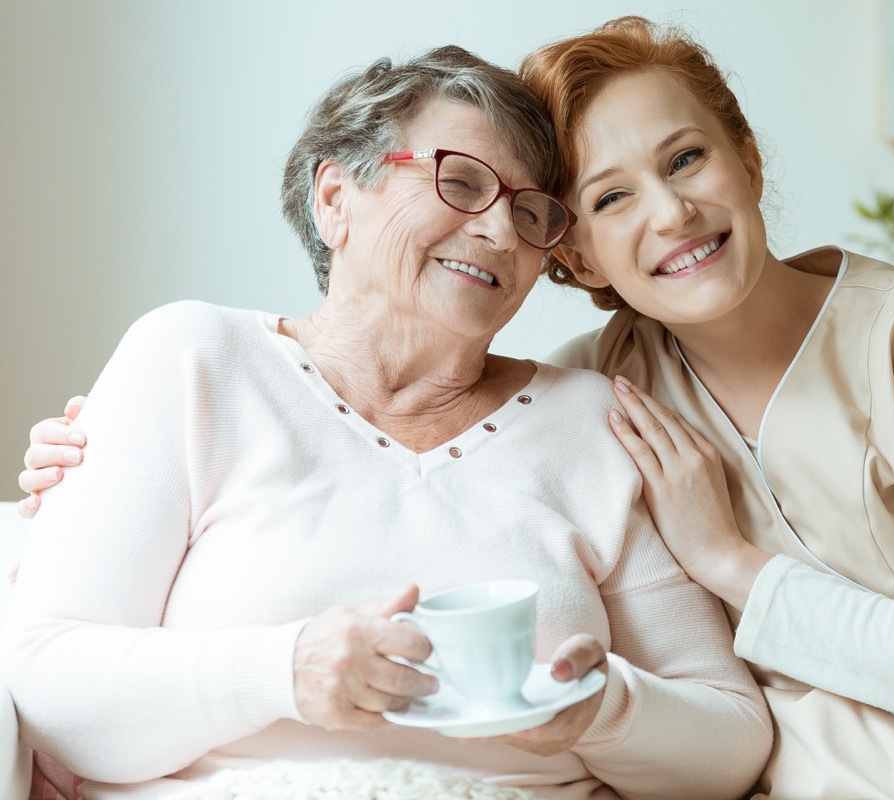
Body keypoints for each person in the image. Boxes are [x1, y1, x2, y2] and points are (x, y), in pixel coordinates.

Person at [21, 16, 894, 800]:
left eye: (687, 160)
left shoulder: (871, 343)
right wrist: (100, 459)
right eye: (466, 184)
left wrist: (678, 621)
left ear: (743, 153)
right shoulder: (595, 390)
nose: (670, 217)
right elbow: (58, 667)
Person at [1, 44, 771, 800]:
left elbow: (731, 743)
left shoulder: (594, 421)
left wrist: (603, 712)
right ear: (334, 199)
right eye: (462, 182)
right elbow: (51, 685)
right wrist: (283, 671)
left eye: (532, 213)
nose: (503, 234)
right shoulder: (193, 360)